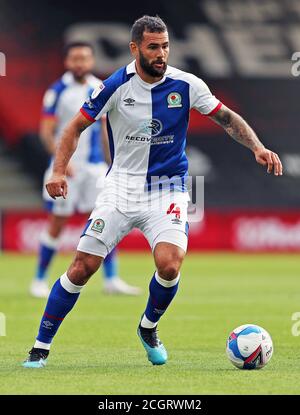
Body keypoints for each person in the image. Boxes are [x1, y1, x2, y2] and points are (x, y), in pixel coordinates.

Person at [23, 16, 282, 368]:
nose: (161, 54)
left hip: (167, 189)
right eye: (153, 47)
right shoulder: (115, 86)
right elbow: (73, 128)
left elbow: (226, 118)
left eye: (165, 47)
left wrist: (258, 147)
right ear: (135, 49)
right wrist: (57, 170)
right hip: (120, 189)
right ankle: (40, 348)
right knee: (82, 267)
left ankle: (148, 327)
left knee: (170, 265)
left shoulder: (186, 84)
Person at [30, 41, 141, 298]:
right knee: (57, 223)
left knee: (106, 220)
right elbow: (46, 132)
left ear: (91, 61)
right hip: (65, 168)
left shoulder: (99, 88)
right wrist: (62, 163)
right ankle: (39, 279)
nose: (80, 63)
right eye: (75, 59)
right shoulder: (57, 91)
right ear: (67, 62)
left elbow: (105, 131)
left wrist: (112, 162)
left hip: (94, 169)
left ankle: (111, 279)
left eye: (84, 59)